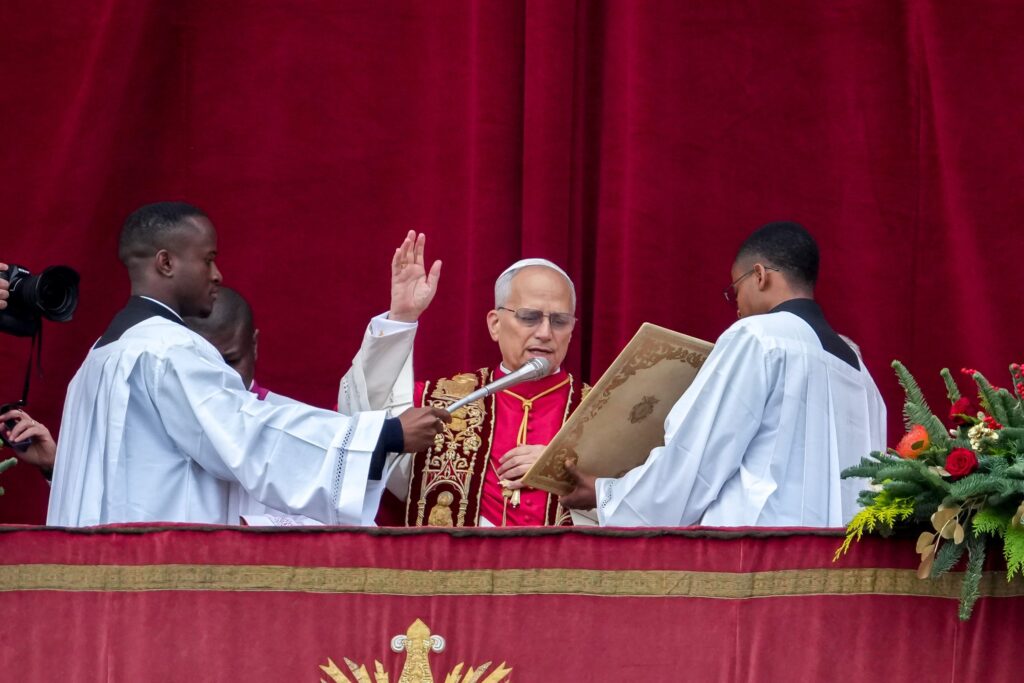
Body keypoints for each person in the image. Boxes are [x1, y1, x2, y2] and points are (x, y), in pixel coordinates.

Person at [46, 202, 449, 526]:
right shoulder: (168, 351)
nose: (217, 274)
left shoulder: (98, 357)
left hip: (95, 584)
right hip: (158, 582)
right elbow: (250, 438)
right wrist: (384, 436)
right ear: (166, 263)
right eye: (208, 260)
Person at [560, 221, 886, 527]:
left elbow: (695, 459)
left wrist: (607, 495)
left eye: (736, 288)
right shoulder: (861, 374)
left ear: (759, 276)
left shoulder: (758, 338)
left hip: (760, 559)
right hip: (840, 569)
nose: (737, 305)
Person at [184, 231, 437, 524]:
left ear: (253, 345)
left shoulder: (297, 422)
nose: (223, 376)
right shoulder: (168, 414)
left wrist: (400, 320)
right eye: (208, 364)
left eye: (231, 360)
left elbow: (344, 498)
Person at [354, 258, 587, 527]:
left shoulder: (604, 411)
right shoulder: (440, 402)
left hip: (566, 567)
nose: (545, 333)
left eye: (559, 321)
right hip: (455, 567)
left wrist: (563, 469)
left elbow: (635, 498)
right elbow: (362, 425)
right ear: (495, 324)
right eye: (529, 317)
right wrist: (401, 319)